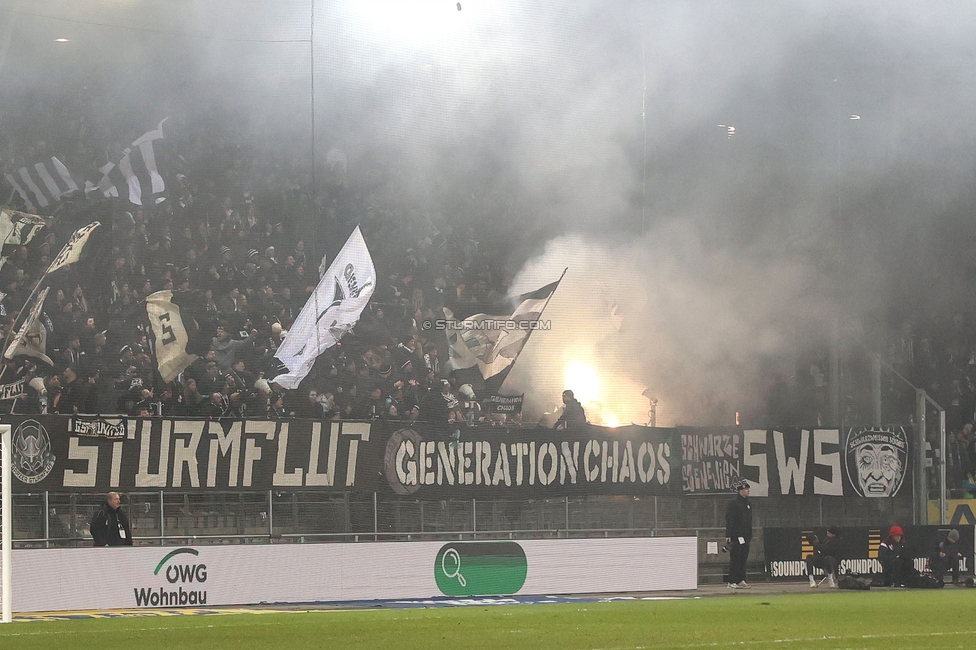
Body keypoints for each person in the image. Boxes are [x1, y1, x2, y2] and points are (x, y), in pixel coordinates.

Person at [725, 477, 753, 589]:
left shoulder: (748, 503)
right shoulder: (734, 503)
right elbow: (730, 519)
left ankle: (741, 579)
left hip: (746, 535)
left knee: (743, 558)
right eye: (746, 489)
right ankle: (731, 581)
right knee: (735, 557)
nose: (748, 491)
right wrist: (729, 534)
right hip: (737, 535)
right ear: (740, 490)